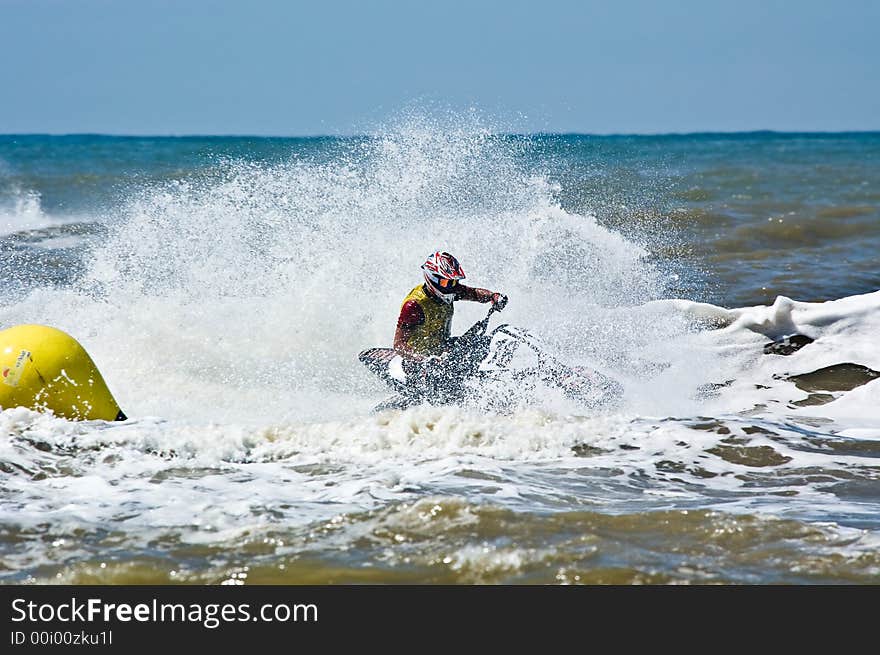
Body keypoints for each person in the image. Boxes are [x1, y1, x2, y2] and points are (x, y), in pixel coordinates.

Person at [393, 251, 507, 366]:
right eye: (446, 282)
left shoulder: (450, 289)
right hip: (417, 363)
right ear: (433, 278)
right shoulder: (414, 306)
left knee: (483, 343)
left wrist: (493, 296)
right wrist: (424, 360)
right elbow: (398, 345)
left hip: (443, 350)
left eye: (454, 282)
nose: (452, 286)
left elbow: (474, 293)